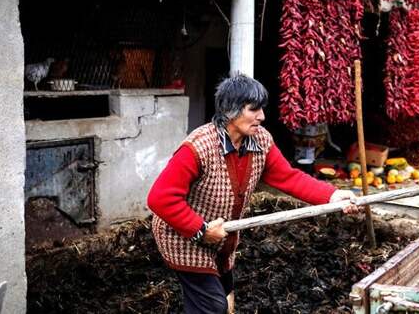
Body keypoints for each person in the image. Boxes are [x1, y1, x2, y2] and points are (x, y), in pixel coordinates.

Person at [148, 73, 358, 314]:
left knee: (225, 294)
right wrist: (200, 230)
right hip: (182, 236)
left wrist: (331, 195)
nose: (262, 116)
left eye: (262, 109)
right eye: (253, 110)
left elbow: (288, 177)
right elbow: (159, 198)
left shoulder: (259, 141)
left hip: (222, 236)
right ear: (230, 111)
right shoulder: (198, 147)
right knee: (211, 306)